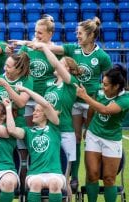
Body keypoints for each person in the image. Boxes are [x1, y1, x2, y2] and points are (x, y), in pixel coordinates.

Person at [21, 40, 83, 202]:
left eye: (63, 64)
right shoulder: (49, 86)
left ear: (69, 70)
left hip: (64, 133)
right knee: (44, 171)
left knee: (63, 175)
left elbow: (54, 63)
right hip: (48, 132)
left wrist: (44, 47)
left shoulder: (71, 84)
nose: (57, 64)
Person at [48, 17, 113, 191]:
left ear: (91, 35)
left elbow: (110, 79)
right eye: (76, 33)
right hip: (76, 101)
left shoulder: (102, 56)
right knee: (76, 137)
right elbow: (51, 47)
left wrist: (101, 91)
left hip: (92, 101)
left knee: (90, 138)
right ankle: (74, 176)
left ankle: (95, 174)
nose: (77, 35)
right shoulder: (72, 49)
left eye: (80, 33)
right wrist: (32, 44)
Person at [5, 85, 64, 202]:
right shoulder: (28, 131)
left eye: (38, 111)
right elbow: (11, 130)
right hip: (35, 173)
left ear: (46, 114)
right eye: (34, 110)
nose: (34, 112)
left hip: (54, 172)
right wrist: (7, 108)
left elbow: (45, 104)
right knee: (36, 183)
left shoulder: (55, 127)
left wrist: (27, 91)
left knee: (55, 183)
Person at [75, 65, 129, 202]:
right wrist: (88, 127)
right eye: (102, 83)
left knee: (109, 179)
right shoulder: (99, 93)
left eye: (106, 85)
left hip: (112, 140)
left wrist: (85, 97)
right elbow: (92, 109)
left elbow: (105, 110)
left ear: (116, 87)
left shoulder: (125, 99)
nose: (102, 87)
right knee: (91, 175)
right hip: (94, 136)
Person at [0, 53, 32, 161]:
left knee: (22, 161)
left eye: (8, 66)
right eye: (5, 65)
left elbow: (21, 103)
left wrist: (6, 86)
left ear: (18, 70)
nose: (4, 68)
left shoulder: (27, 80)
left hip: (18, 124)